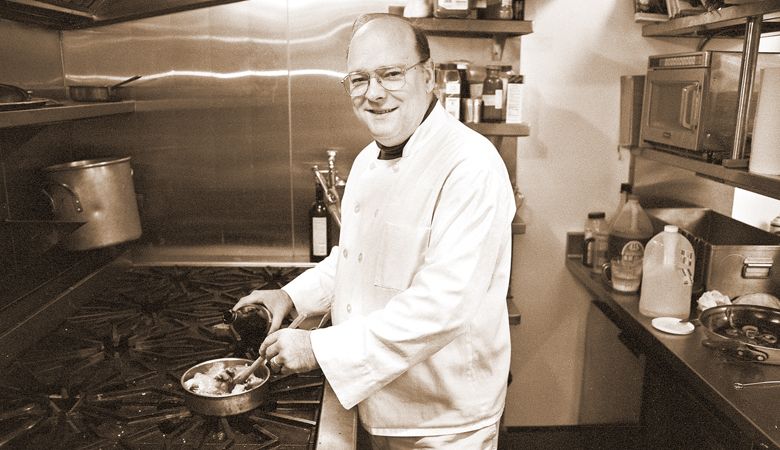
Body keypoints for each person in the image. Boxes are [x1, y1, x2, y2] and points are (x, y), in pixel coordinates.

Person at [233, 12, 515, 450]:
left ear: (429, 76)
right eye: (359, 79)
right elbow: (354, 259)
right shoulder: (367, 161)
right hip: (375, 399)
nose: (375, 93)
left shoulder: (470, 166)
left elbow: (442, 306)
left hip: (444, 421)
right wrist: (290, 297)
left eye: (391, 74)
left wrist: (318, 349)